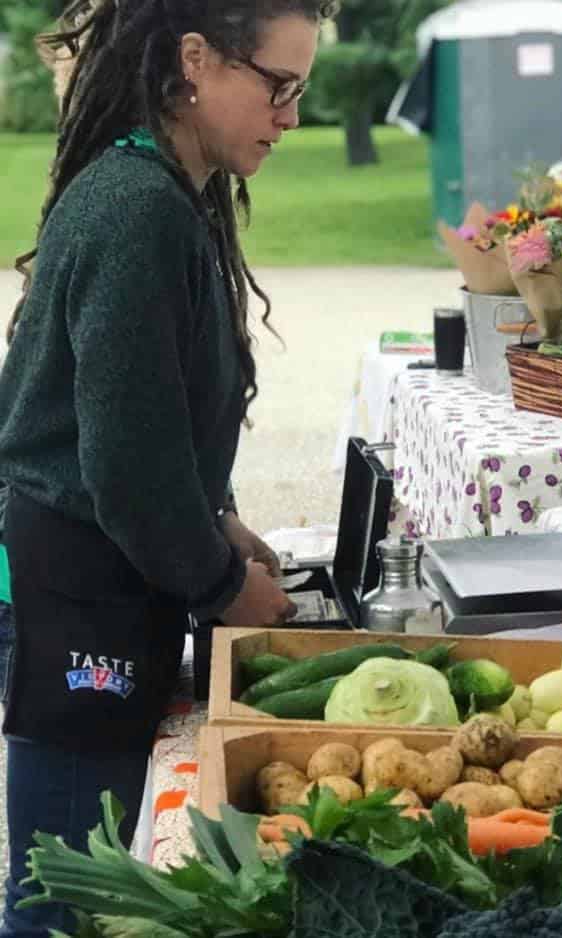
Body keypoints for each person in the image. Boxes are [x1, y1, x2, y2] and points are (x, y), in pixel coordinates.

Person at [0, 0, 333, 932]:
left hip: (108, 574)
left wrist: (216, 517)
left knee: (84, 879)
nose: (292, 117)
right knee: (63, 893)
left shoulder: (167, 196)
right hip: (77, 592)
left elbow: (156, 413)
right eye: (280, 86)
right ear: (195, 61)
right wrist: (224, 584)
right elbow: (126, 462)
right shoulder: (135, 209)